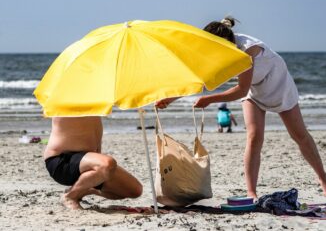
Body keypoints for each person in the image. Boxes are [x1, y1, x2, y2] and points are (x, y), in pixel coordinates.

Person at [156, 17, 326, 199]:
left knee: (299, 135)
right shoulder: (215, 50)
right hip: (253, 90)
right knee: (254, 137)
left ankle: (323, 180)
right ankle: (251, 192)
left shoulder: (247, 50)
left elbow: (240, 90)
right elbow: (202, 80)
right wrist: (171, 98)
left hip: (277, 82)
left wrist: (209, 100)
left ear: (227, 44)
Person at [44, 116, 143, 210]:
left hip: (87, 161)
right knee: (107, 164)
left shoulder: (95, 104)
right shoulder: (65, 100)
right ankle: (70, 196)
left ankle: (86, 189)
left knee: (135, 190)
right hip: (62, 161)